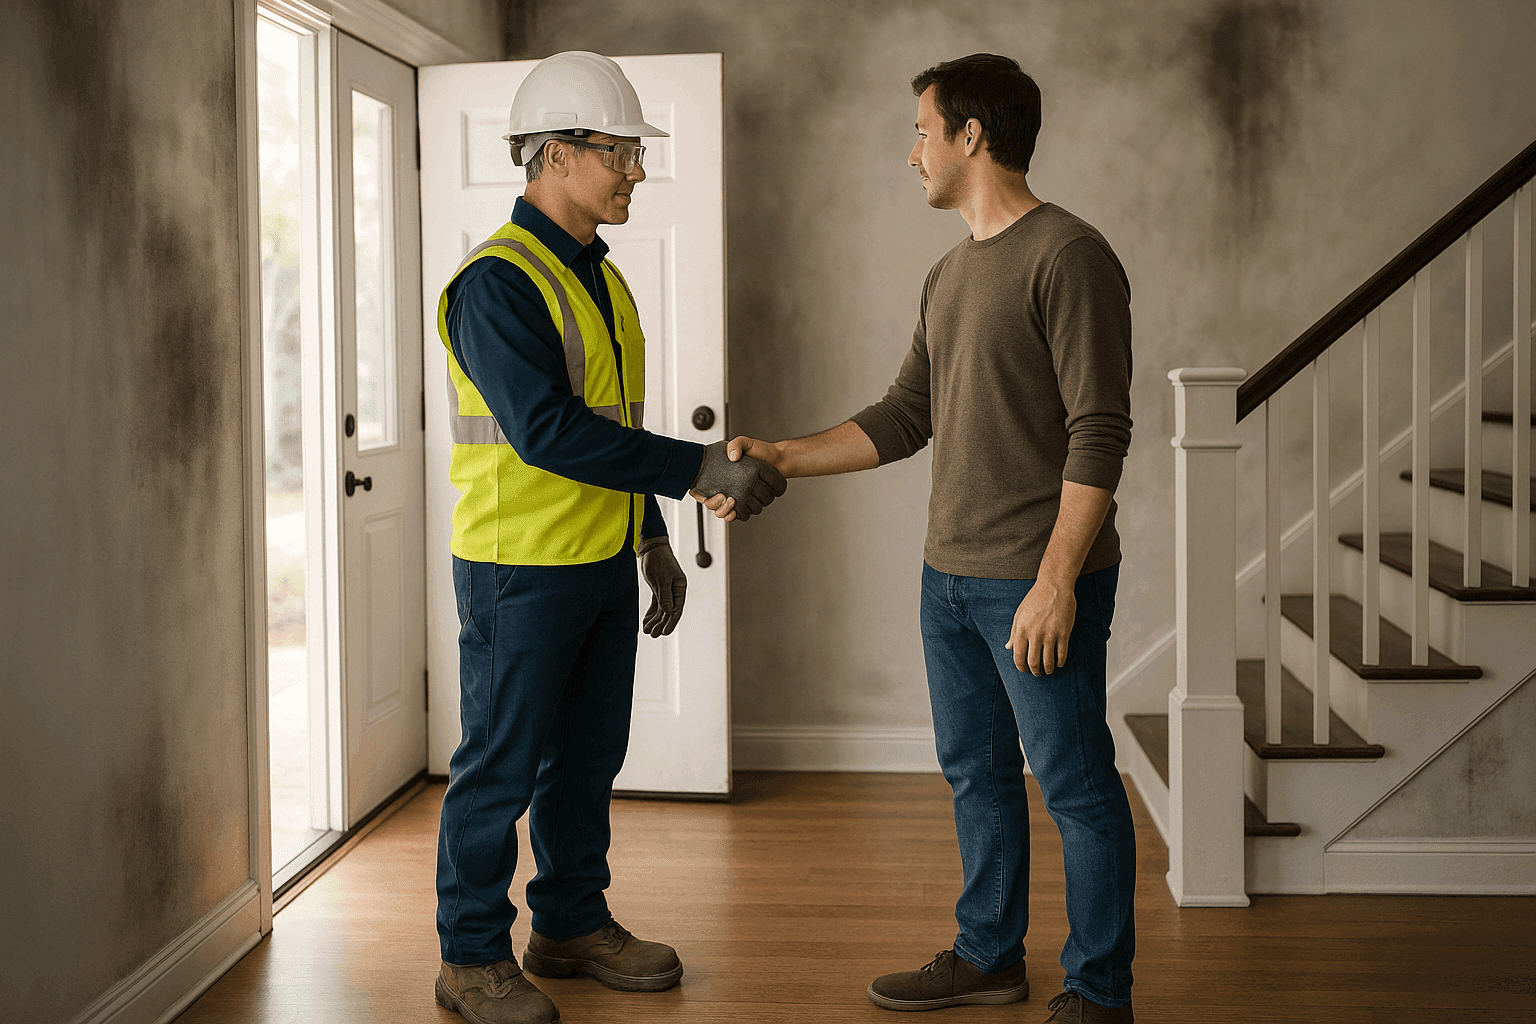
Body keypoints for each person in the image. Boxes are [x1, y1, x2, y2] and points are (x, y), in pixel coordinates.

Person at [710, 54, 1136, 1024]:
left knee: (1073, 783)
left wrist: (1057, 580)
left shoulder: (1070, 256)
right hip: (947, 578)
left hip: (1032, 581)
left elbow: (1099, 430)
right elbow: (907, 417)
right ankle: (990, 954)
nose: (913, 153)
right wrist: (780, 451)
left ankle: (1099, 991)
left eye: (920, 129)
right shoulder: (949, 273)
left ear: (971, 136)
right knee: (977, 772)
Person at [432, 50, 786, 1024]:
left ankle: (569, 923)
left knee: (587, 758)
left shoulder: (602, 281)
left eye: (635, 153)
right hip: (516, 569)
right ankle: (468, 954)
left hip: (596, 564)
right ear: (554, 153)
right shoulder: (497, 285)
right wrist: (702, 469)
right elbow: (548, 431)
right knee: (500, 765)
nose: (636, 171)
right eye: (621, 152)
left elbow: (614, 428)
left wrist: (652, 542)